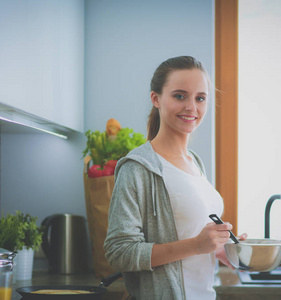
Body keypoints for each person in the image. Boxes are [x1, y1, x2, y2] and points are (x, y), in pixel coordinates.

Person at [104, 56, 247, 300]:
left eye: (200, 98)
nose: (192, 107)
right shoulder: (137, 168)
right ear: (156, 98)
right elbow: (119, 252)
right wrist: (196, 245)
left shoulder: (195, 163)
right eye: (180, 96)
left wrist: (220, 250)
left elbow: (188, 237)